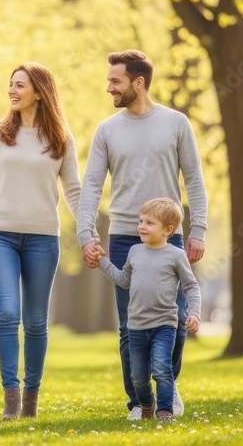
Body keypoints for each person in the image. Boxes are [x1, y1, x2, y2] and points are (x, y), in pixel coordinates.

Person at [77, 49, 208, 420]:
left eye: (115, 81)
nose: (109, 88)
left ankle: (168, 385)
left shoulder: (176, 123)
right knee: (128, 325)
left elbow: (195, 180)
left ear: (138, 82)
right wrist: (87, 234)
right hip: (122, 238)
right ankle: (139, 401)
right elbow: (90, 186)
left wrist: (197, 230)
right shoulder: (107, 129)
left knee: (177, 320)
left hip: (171, 237)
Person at [0, 62, 82, 420]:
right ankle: (11, 400)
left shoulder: (61, 139)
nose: (12, 91)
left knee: (36, 321)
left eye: (19, 86)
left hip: (44, 239)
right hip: (0, 235)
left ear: (39, 92)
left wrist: (88, 231)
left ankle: (31, 401)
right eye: (10, 85)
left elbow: (73, 190)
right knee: (7, 314)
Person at [94, 198, 202, 422]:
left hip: (164, 324)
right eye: (141, 221)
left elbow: (191, 286)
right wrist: (103, 262)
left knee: (162, 369)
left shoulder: (175, 255)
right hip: (136, 326)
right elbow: (124, 280)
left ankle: (164, 411)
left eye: (149, 223)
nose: (142, 226)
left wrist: (194, 312)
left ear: (167, 230)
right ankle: (146, 405)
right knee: (138, 377)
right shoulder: (134, 251)